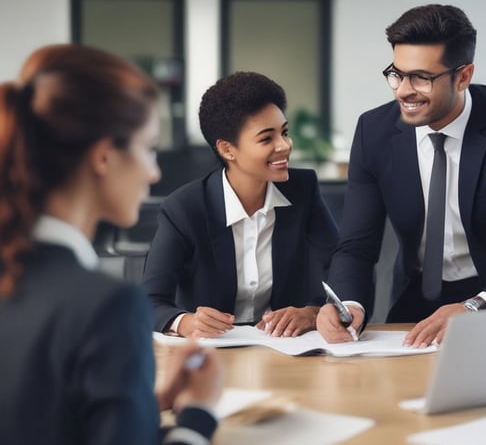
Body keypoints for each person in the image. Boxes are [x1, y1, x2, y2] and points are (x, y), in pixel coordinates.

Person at [0, 44, 223, 444]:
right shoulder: (105, 306)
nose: (154, 173)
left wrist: (142, 402)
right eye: (148, 148)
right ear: (104, 156)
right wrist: (198, 414)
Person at [317, 4, 486, 347]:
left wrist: (474, 307)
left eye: (422, 77)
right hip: (418, 300)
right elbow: (357, 246)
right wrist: (347, 304)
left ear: (463, 76)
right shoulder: (373, 131)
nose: (404, 90)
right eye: (397, 74)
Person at [142, 71, 339, 339]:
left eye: (284, 132)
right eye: (266, 139)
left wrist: (315, 312)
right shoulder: (184, 208)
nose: (284, 146)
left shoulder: (303, 190)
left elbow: (341, 268)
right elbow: (149, 300)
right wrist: (184, 322)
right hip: (209, 355)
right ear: (227, 150)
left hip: (285, 349)